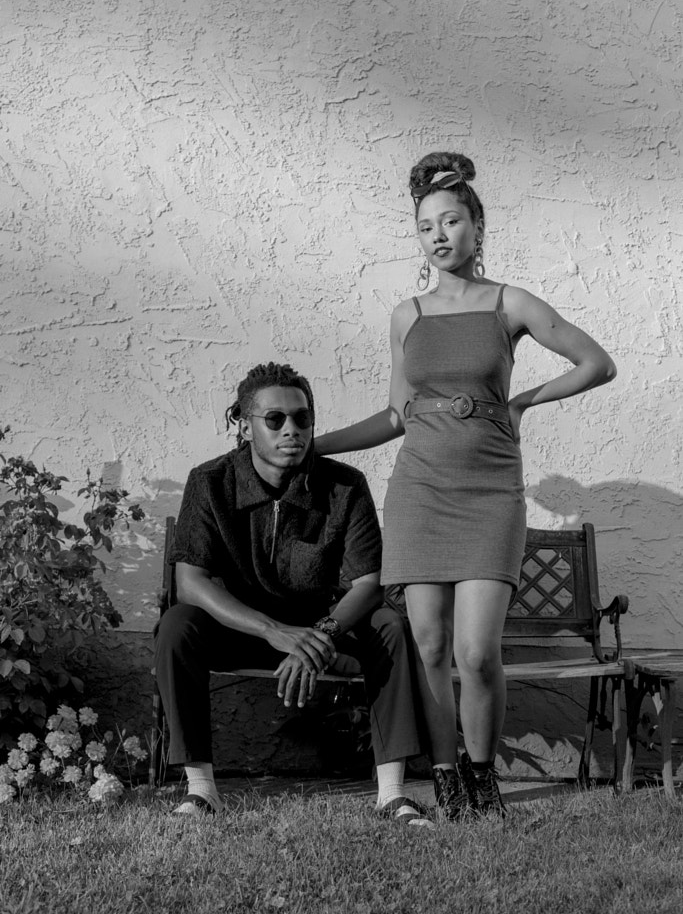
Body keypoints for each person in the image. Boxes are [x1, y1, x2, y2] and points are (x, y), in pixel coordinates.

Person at [314, 152, 617, 819]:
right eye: (426, 227)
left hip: (487, 495)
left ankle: (484, 778)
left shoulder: (510, 303)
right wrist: (317, 446)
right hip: (420, 493)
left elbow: (596, 363)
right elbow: (396, 415)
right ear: (418, 238)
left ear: (477, 226)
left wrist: (522, 402)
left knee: (477, 652)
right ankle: (447, 779)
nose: (440, 235)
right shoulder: (407, 316)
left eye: (452, 220)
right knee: (426, 645)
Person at [154, 361, 430, 824]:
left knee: (388, 626)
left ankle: (392, 793)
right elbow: (190, 582)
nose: (292, 430)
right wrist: (275, 631)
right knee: (177, 625)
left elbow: (367, 583)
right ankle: (200, 790)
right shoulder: (211, 481)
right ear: (244, 427)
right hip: (245, 627)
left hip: (326, 628)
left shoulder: (344, 485)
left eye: (303, 418)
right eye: (275, 419)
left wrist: (317, 638)